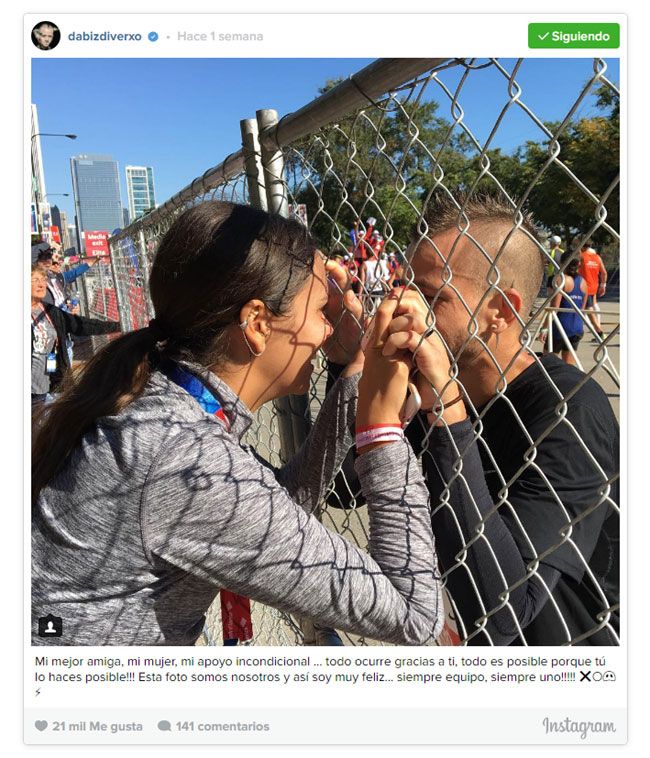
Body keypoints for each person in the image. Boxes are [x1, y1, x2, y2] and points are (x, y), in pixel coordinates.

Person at [32, 200, 443, 646]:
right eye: (321, 311)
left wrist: (356, 370)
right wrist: (379, 428)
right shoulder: (186, 459)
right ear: (257, 323)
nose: (327, 331)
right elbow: (415, 614)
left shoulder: (161, 401)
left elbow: (276, 506)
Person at [382, 194, 619, 645]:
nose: (405, 309)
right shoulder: (430, 379)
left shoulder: (568, 408)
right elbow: (347, 489)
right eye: (406, 289)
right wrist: (350, 364)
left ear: (501, 312)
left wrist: (447, 413)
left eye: (431, 296)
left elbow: (503, 611)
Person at [31, 266, 121, 406]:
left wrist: (116, 326)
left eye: (43, 279)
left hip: (48, 385)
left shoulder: (49, 311)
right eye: (35, 280)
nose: (42, 284)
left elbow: (81, 324)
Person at [548, 252, 588, 365]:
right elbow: (582, 309)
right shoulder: (584, 282)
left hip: (561, 326)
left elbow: (554, 308)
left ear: (562, 263)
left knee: (549, 364)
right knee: (569, 366)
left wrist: (544, 328)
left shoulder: (561, 280)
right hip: (577, 327)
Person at [578, 242, 608, 341]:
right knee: (586, 309)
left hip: (583, 287)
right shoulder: (597, 257)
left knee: (588, 310)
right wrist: (603, 285)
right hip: (593, 287)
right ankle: (597, 332)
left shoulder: (581, 256)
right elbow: (604, 273)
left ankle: (599, 332)